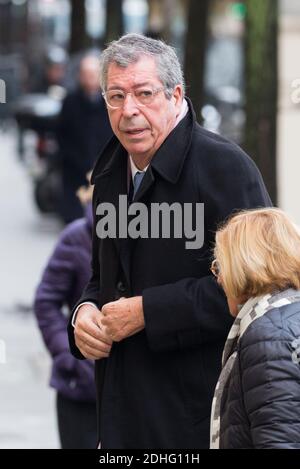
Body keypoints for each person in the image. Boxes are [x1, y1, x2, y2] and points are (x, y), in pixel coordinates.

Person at [68, 33, 271, 449]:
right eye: (116, 96)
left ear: (176, 95)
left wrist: (148, 312)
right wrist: (83, 314)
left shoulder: (225, 167)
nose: (129, 111)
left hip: (201, 418)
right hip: (120, 414)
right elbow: (101, 277)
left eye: (144, 93)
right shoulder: (108, 170)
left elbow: (260, 293)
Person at [210, 208, 300, 449]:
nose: (218, 278)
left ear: (244, 264)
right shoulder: (289, 319)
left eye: (220, 266)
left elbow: (280, 442)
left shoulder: (268, 337)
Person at [34, 181, 97, 449]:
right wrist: (68, 353)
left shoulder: (152, 234)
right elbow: (46, 302)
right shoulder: (77, 237)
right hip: (80, 389)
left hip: (135, 392)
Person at [57, 55, 113, 223]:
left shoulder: (109, 102)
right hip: (75, 170)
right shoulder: (70, 101)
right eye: (86, 74)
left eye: (94, 74)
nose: (90, 79)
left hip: (103, 169)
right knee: (74, 220)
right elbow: (62, 135)